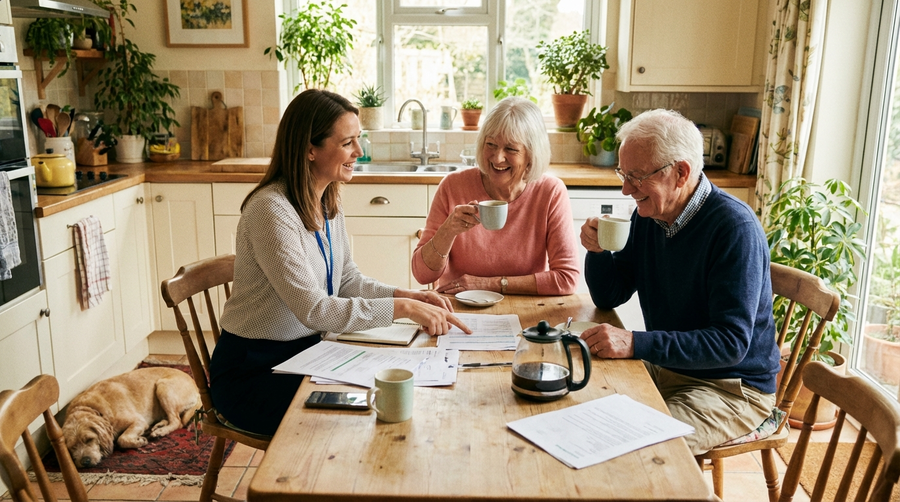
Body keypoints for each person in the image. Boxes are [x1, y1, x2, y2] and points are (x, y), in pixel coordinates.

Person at [210, 89, 470, 436]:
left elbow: (347, 279)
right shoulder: (270, 210)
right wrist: (402, 308)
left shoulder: (327, 200)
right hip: (256, 372)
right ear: (309, 149)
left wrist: (410, 295)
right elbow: (316, 310)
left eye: (358, 140)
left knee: (391, 393)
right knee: (363, 416)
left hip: (309, 353)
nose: (359, 153)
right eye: (348, 143)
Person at [578, 109, 780, 455]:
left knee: (639, 448)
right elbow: (610, 294)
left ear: (680, 173)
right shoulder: (650, 215)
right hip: (671, 367)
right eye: (623, 174)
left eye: (636, 176)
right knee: (580, 398)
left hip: (731, 388)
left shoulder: (733, 229)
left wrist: (634, 343)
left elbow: (729, 343)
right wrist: (598, 252)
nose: (626, 189)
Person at [411, 97, 579, 296]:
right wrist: (447, 231)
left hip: (526, 309)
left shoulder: (550, 192)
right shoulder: (453, 186)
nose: (498, 157)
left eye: (511, 149)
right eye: (491, 144)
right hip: (460, 306)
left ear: (531, 155)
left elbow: (567, 279)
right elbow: (422, 275)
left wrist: (489, 284)